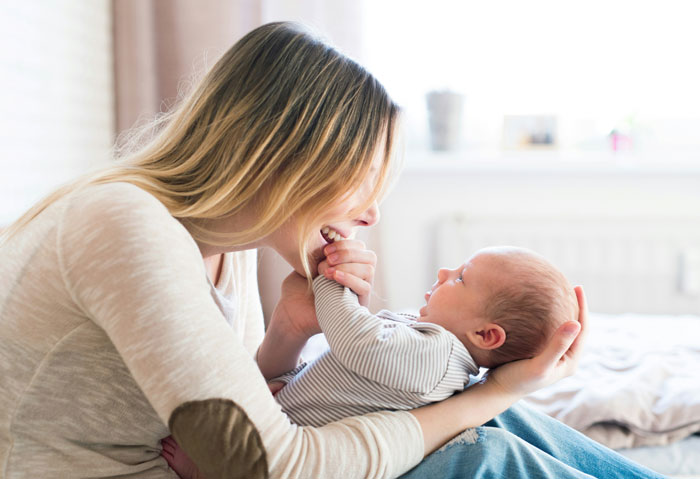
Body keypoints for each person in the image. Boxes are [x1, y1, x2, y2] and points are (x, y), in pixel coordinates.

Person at [0, 21, 663, 479]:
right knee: (476, 449)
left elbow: (221, 408)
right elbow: (271, 464)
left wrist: (289, 331)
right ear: (289, 159)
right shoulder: (126, 225)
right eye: (362, 182)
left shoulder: (224, 248)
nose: (371, 212)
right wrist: (489, 393)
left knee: (495, 425)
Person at [265, 245, 579, 427]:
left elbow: (357, 341)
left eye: (461, 278)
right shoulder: (428, 342)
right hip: (282, 419)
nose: (444, 273)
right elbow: (340, 374)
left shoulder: (437, 359)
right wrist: (292, 380)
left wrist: (331, 280)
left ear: (485, 334)